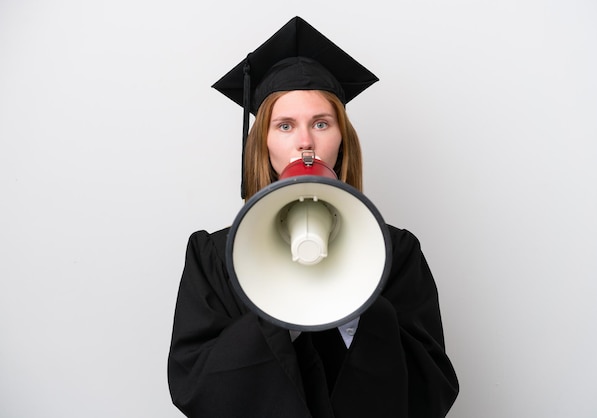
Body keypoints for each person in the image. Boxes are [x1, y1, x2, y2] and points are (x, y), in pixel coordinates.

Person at [168, 16, 459, 418]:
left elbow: (432, 390)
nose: (305, 142)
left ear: (343, 139)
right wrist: (280, 313)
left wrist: (356, 307)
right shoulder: (213, 255)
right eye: (284, 125)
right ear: (261, 143)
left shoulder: (396, 252)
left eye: (321, 123)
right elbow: (193, 386)